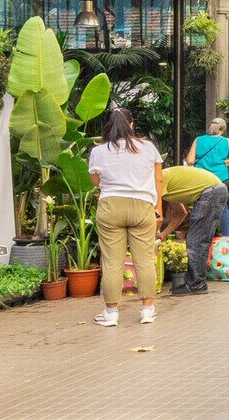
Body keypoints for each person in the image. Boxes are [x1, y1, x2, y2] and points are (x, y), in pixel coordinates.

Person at [86, 108, 163, 327]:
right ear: (131, 125)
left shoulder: (98, 151)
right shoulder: (148, 148)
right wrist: (158, 209)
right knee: (145, 259)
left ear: (108, 126)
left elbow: (95, 182)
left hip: (111, 207)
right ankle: (147, 310)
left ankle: (111, 314)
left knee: (112, 262)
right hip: (142, 206)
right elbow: (158, 179)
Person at [158, 164, 226, 296]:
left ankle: (196, 284)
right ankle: (195, 282)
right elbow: (180, 213)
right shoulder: (168, 185)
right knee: (197, 240)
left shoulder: (160, 180)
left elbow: (156, 214)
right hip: (213, 190)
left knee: (196, 241)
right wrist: (163, 234)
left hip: (211, 192)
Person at [185, 117, 229, 236]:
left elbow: (190, 161)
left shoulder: (198, 140)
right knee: (222, 207)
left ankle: (199, 236)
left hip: (202, 178)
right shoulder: (226, 141)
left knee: (200, 206)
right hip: (220, 178)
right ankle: (226, 237)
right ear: (221, 130)